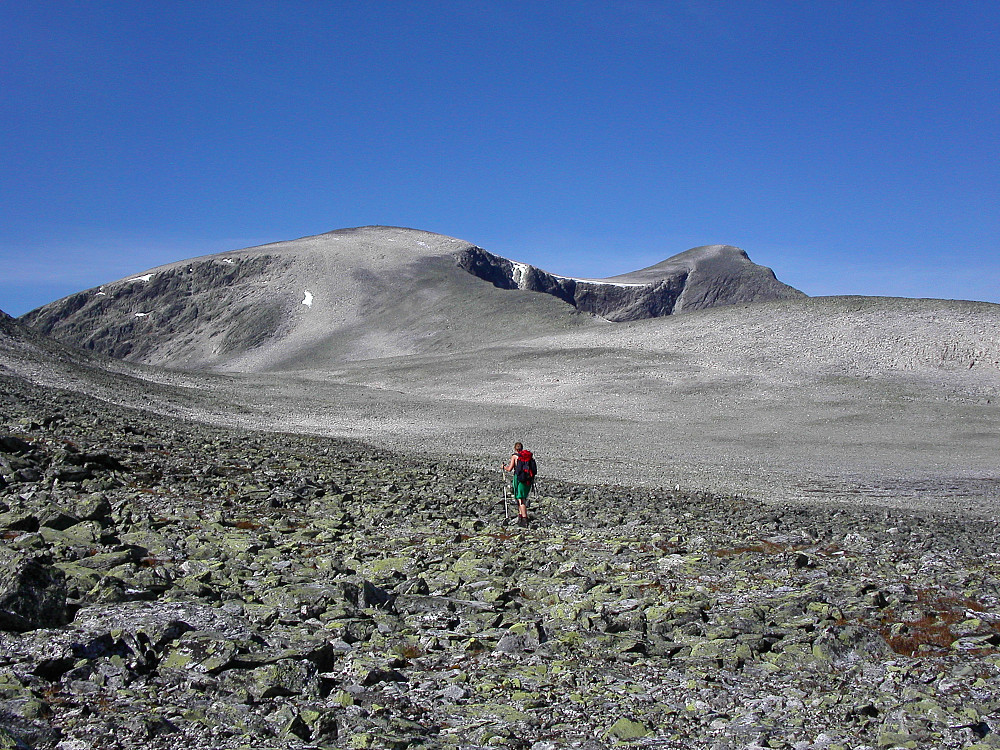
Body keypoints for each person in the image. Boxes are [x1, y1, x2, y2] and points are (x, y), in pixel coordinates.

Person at [503, 442, 535, 527]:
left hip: (519, 479)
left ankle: (524, 519)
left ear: (515, 448)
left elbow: (510, 469)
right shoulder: (527, 457)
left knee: (520, 499)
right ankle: (520, 517)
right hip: (528, 480)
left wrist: (503, 467)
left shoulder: (514, 456)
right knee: (523, 497)